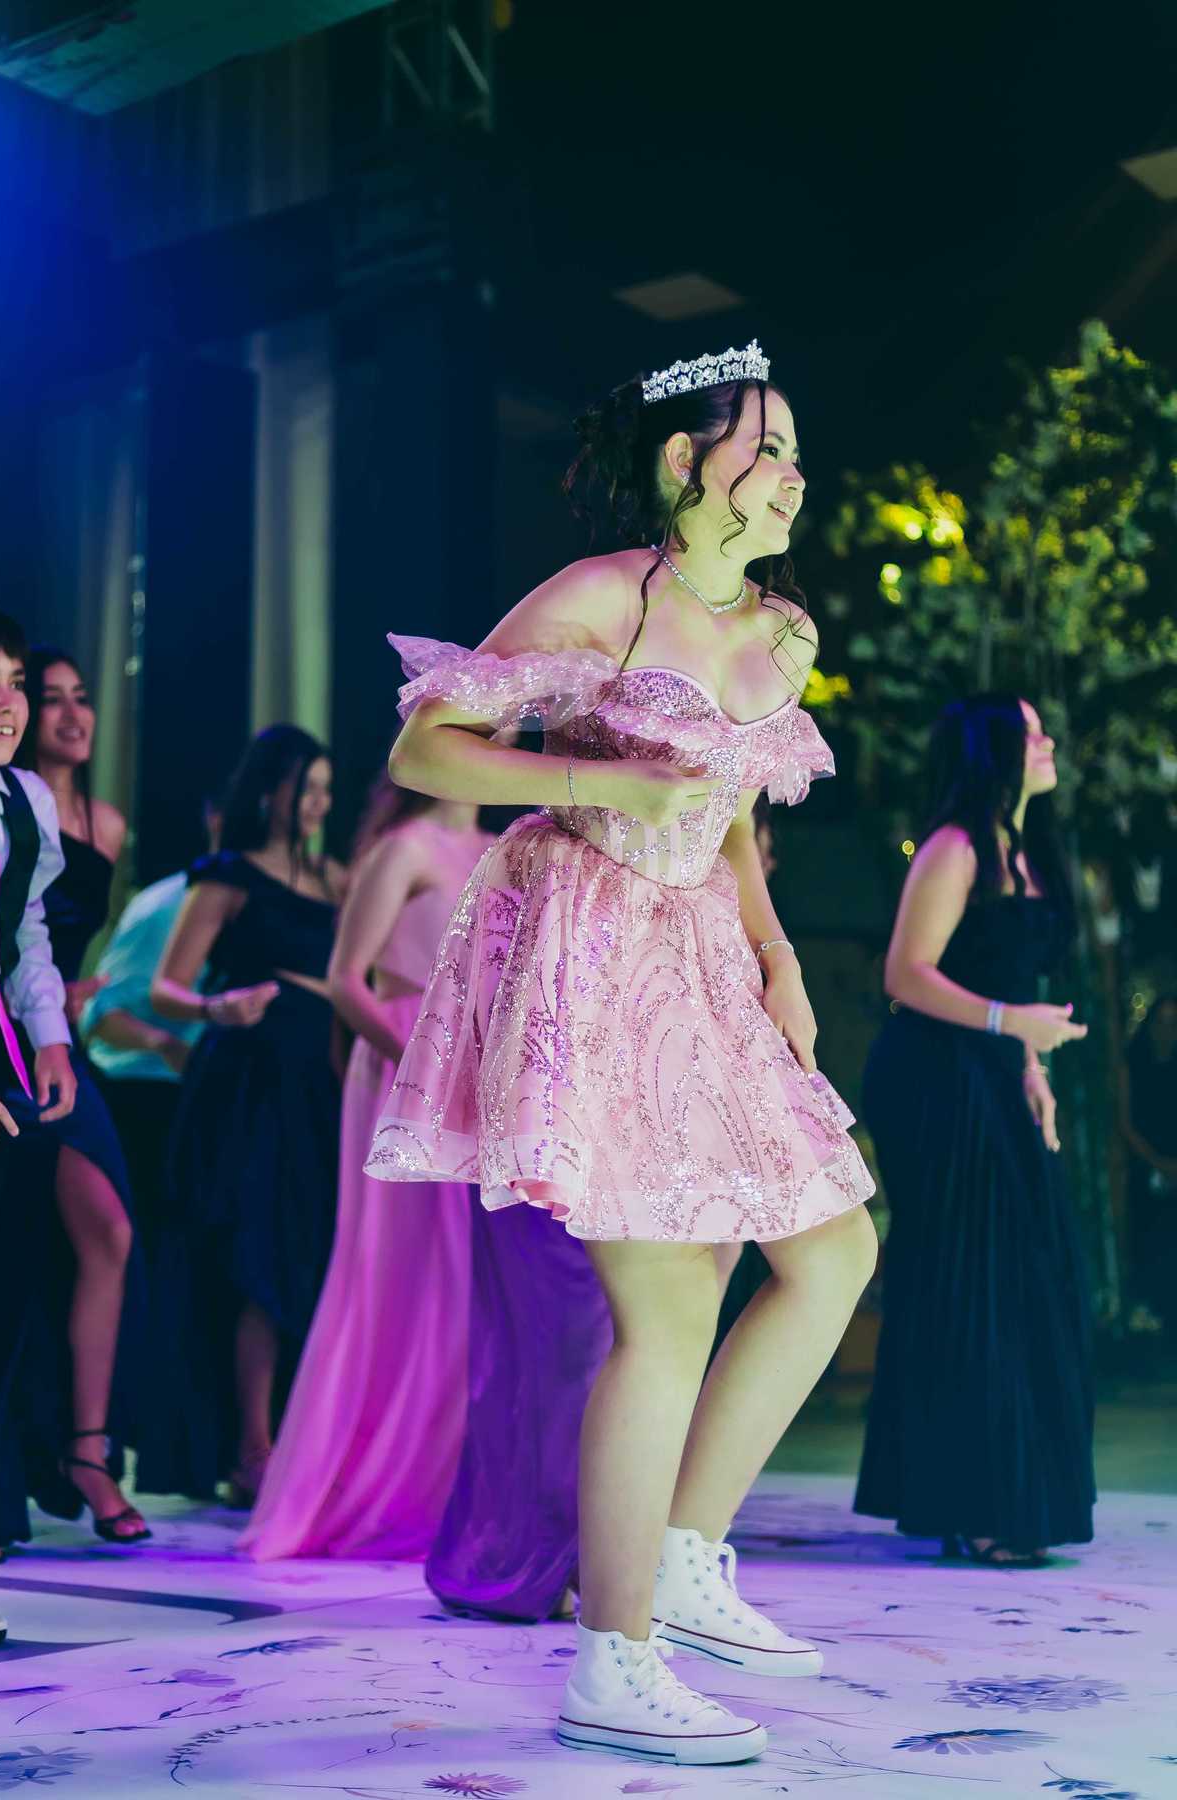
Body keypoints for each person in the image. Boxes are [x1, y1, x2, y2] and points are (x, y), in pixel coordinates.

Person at [366, 339, 877, 1765]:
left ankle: (686, 1554)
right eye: (766, 447)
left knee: (832, 1250)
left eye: (796, 452)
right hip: (589, 937)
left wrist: (778, 956)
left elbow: (735, 815)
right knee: (667, 1310)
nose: (792, 476)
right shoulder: (600, 598)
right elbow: (428, 749)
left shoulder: (783, 635)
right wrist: (597, 773)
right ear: (683, 462)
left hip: (704, 951)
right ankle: (614, 1655)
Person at [854, 694, 1095, 1567]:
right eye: (1030, 733)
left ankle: (999, 1494)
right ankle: (974, 1501)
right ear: (992, 751)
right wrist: (1009, 1026)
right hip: (933, 1075)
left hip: (993, 1070)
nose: (1048, 743)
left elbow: (1006, 979)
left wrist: (1030, 1065)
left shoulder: (1024, 851)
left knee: (1027, 1269)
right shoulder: (955, 847)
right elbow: (906, 974)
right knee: (972, 1273)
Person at [242, 775, 492, 1560]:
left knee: (470, 1280)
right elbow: (347, 980)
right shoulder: (402, 849)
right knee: (403, 1275)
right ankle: (379, 1486)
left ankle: (453, 1484)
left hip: (481, 1070)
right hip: (407, 1063)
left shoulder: (499, 847)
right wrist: (425, 1066)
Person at [145, 725, 344, 1505]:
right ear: (271, 790)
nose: (319, 803)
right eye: (306, 788)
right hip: (248, 1085)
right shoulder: (227, 875)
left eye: (327, 789)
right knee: (259, 1255)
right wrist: (215, 1007)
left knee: (311, 1256)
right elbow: (164, 989)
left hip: (319, 1086)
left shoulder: (337, 879)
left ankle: (302, 1443)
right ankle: (253, 1449)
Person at [7, 646, 148, 1545]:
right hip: (4, 1028)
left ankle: (88, 1449)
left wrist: (79, 993)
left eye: (80, 698)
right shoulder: (4, 800)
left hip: (56, 1035)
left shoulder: (107, 822)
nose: (69, 714)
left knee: (109, 1233)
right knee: (15, 1247)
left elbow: (56, 940)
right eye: (48, 697)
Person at [0, 601, 77, 1590]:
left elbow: (26, 931)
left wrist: (50, 1037)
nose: (7, 705)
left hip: (0, 1052)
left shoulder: (24, 800)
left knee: (4, 1285)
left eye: (14, 683)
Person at [82, 800, 220, 1258]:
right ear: (216, 819)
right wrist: (164, 1044)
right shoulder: (164, 905)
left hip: (219, 1101)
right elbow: (100, 1014)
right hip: (151, 1097)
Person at [1119, 994, 1177, 1336]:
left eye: (1173, 1024)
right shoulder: (1134, 1064)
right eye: (1162, 1022)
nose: (1167, 1031)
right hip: (1147, 1165)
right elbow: (1126, 1124)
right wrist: (1157, 1163)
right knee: (1151, 1239)